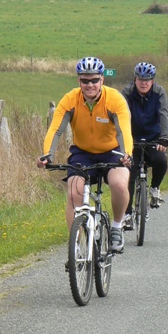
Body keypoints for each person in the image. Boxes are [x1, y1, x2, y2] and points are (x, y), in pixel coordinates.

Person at [37, 56, 132, 254]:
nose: (90, 85)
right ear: (78, 81)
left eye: (94, 80)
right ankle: (77, 244)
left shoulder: (114, 100)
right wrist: (47, 155)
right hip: (82, 153)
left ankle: (116, 226)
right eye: (85, 80)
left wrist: (126, 154)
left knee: (119, 184)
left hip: (112, 153)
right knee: (74, 193)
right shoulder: (70, 100)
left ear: (102, 80)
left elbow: (124, 130)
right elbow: (55, 130)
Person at [121, 62, 168, 230]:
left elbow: (163, 114)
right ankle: (127, 215)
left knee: (161, 160)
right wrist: (120, 140)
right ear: (135, 79)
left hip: (153, 138)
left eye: (147, 80)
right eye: (141, 79)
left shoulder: (159, 92)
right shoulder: (126, 93)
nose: (144, 83)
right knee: (128, 174)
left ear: (153, 81)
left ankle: (155, 188)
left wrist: (164, 138)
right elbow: (121, 116)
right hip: (131, 140)